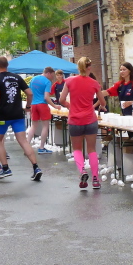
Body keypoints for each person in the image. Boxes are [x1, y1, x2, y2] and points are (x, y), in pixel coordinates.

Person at [0, 56, 42, 181]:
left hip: (2, 116)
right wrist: (28, 106)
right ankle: (36, 167)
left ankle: (5, 168)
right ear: (7, 65)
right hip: (17, 114)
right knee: (23, 141)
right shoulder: (17, 77)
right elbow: (30, 93)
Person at [59, 57, 107, 190]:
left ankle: (82, 171)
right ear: (89, 67)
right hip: (90, 120)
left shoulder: (69, 81)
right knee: (91, 150)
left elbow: (61, 99)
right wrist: (99, 105)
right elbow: (103, 102)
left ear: (78, 67)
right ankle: (95, 179)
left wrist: (70, 106)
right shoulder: (94, 83)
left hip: (75, 120)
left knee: (77, 149)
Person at [26, 66, 61, 154]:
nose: (52, 78)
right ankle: (41, 147)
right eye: (52, 75)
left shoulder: (33, 79)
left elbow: (29, 94)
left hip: (33, 104)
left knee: (33, 126)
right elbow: (46, 97)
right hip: (42, 104)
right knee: (45, 126)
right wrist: (54, 106)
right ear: (48, 73)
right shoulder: (47, 82)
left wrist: (28, 105)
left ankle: (26, 147)